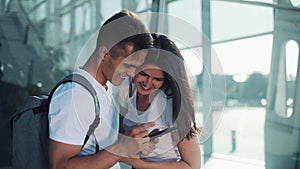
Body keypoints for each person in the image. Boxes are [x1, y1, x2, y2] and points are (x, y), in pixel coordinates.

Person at [48, 10, 156, 169]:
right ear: (105, 53)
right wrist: (121, 149)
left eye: (136, 67)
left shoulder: (102, 88)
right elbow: (61, 166)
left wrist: (131, 142)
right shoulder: (76, 96)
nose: (133, 74)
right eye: (128, 65)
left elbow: (100, 149)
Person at [119, 33, 201, 169]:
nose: (147, 83)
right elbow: (121, 132)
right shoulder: (127, 90)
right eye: (143, 74)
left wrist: (140, 163)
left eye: (158, 79)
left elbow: (192, 165)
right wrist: (132, 143)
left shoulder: (173, 105)